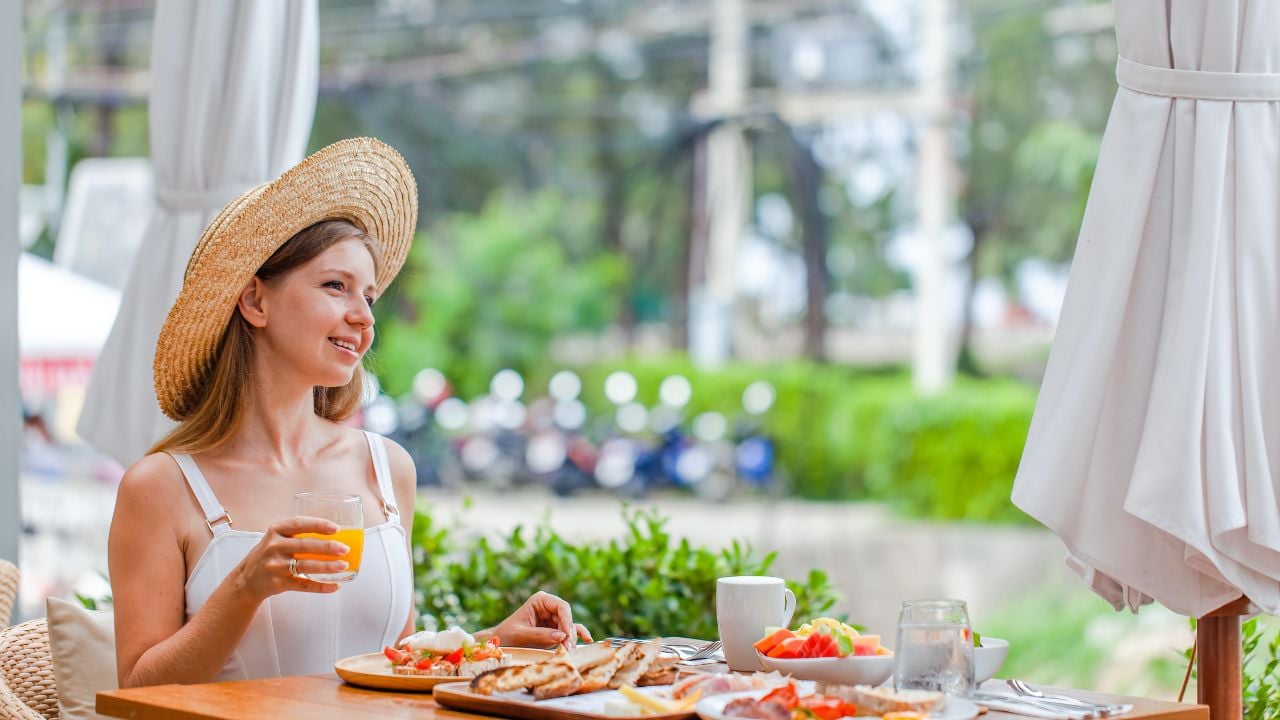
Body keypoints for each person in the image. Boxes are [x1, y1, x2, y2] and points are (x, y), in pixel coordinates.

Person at [108, 138, 590, 688]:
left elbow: (386, 663)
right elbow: (136, 692)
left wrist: (494, 642)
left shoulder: (387, 468)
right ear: (255, 302)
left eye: (370, 297)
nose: (363, 317)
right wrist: (244, 587)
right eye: (336, 286)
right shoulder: (161, 488)